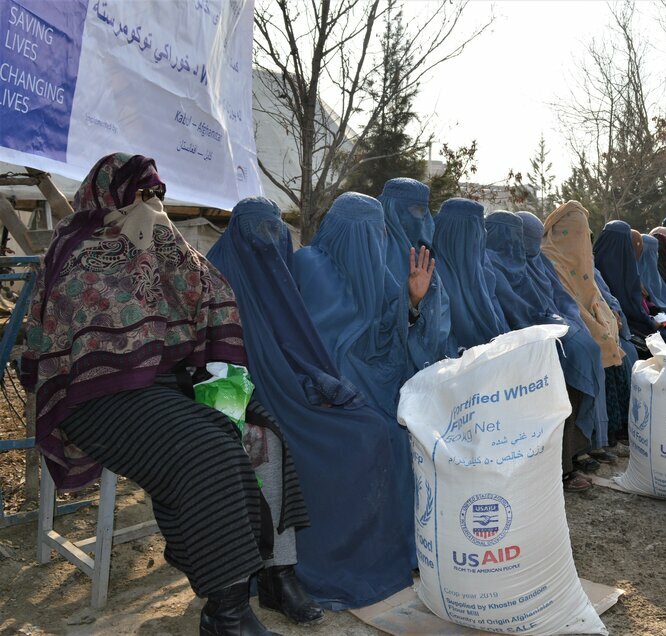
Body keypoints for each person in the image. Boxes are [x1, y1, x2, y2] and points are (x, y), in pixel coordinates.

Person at [20, 154, 316, 636]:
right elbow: (50, 339)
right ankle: (227, 610)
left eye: (154, 194)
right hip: (98, 397)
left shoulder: (166, 242)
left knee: (263, 432)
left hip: (170, 387)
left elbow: (214, 297)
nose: (149, 204)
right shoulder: (73, 247)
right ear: (109, 194)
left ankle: (278, 575)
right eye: (139, 194)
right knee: (209, 449)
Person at [207, 197, 414, 610]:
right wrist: (233, 414)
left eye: (275, 229)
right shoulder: (215, 278)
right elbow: (213, 365)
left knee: (367, 430)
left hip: (288, 388)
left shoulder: (277, 272)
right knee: (302, 445)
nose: (268, 240)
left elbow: (295, 340)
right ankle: (287, 572)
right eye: (258, 230)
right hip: (240, 396)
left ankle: (353, 557)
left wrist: (315, 380)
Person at [291, 192, 427, 571]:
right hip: (315, 387)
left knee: (400, 436)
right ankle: (353, 552)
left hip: (367, 383)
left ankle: (395, 546)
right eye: (369, 231)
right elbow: (290, 334)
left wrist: (412, 302)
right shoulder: (307, 264)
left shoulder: (376, 270)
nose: (376, 239)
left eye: (379, 230)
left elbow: (387, 331)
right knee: (372, 435)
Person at [486, 211, 606, 490]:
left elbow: (558, 300)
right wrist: (546, 324)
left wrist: (563, 320)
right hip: (519, 344)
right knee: (561, 374)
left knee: (584, 351)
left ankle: (573, 453)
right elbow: (514, 311)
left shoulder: (535, 262)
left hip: (546, 333)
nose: (525, 244)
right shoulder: (492, 264)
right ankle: (559, 467)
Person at [542, 201, 628, 460]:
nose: (583, 240)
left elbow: (594, 294)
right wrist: (598, 329)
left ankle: (604, 437)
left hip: (586, 322)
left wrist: (607, 321)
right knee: (592, 349)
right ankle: (586, 445)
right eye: (578, 233)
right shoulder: (549, 259)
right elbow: (564, 302)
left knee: (612, 349)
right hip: (564, 327)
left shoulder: (580, 258)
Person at [377, 178, 451, 373]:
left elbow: (439, 318)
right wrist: (411, 301)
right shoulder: (374, 252)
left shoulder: (423, 259)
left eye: (423, 211)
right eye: (415, 210)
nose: (421, 218)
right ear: (392, 209)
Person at [431, 198, 510, 352]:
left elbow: (497, 318)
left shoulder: (483, 269)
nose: (481, 235)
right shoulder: (428, 272)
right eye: (476, 231)